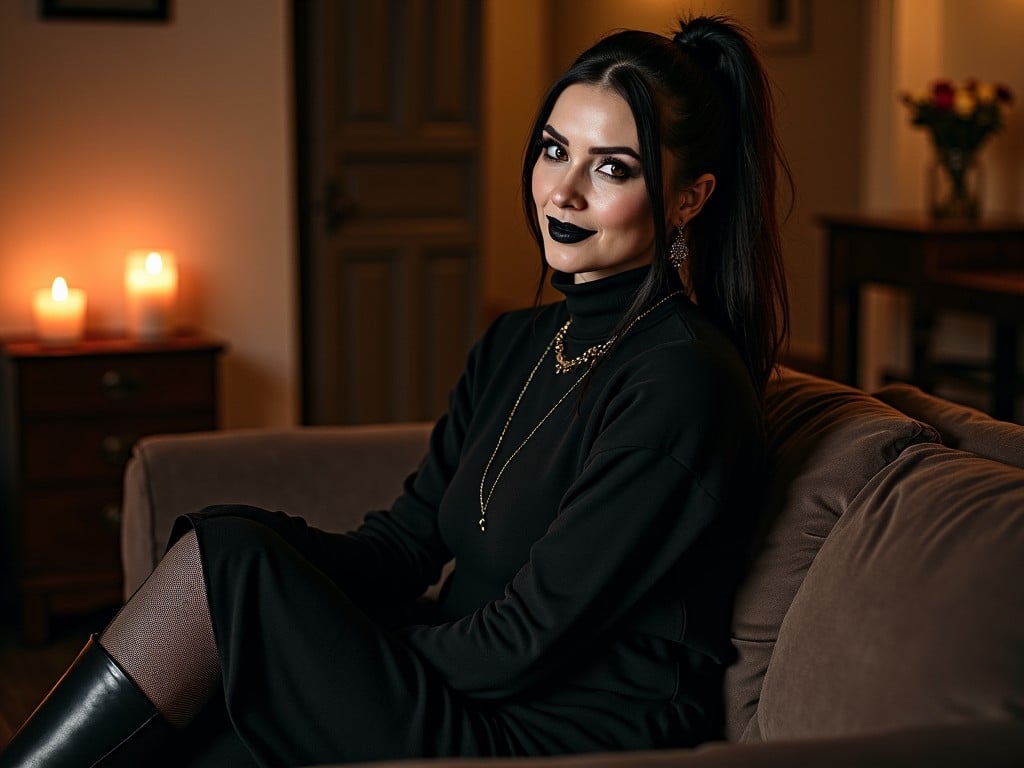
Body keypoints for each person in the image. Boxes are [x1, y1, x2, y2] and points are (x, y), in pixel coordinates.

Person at [1, 13, 789, 767]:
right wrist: (268, 558)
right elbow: (406, 544)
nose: (563, 192)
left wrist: (319, 644)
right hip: (467, 679)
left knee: (230, 571)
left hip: (556, 730)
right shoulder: (519, 341)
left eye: (612, 168)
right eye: (554, 151)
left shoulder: (683, 382)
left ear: (691, 198)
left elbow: (528, 638)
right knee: (210, 643)